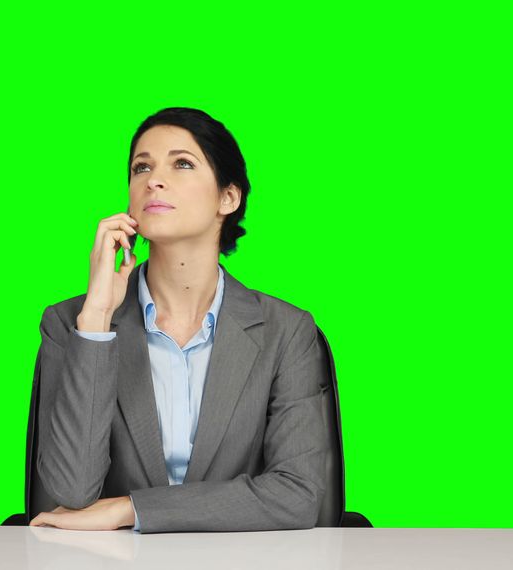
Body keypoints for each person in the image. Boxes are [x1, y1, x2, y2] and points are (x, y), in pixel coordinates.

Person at [28, 107, 331, 533]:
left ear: (228, 197)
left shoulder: (285, 330)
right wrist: (96, 319)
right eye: (141, 167)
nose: (153, 179)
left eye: (182, 163)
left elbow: (297, 495)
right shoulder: (70, 323)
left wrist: (132, 510)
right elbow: (72, 492)